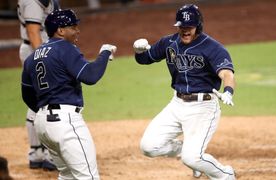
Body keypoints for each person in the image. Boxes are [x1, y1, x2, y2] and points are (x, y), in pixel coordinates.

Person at [133, 4, 236, 180]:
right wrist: (138, 51)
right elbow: (145, 59)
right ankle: (185, 151)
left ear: (198, 26)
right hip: (177, 104)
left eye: (190, 27)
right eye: (182, 26)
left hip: (203, 107)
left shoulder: (212, 47)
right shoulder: (169, 42)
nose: (185, 31)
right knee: (148, 147)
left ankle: (226, 175)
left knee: (192, 158)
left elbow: (227, 73)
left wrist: (228, 91)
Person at [21, 9, 116, 179]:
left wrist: (45, 111)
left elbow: (27, 94)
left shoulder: (32, 57)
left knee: (66, 175)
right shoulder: (65, 48)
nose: (77, 30)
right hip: (66, 123)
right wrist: (105, 53)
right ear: (60, 30)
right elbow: (90, 76)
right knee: (88, 177)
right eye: (73, 27)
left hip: (43, 126)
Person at [17, 0, 59, 170]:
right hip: (35, 50)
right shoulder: (32, 2)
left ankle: (37, 154)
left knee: (38, 101)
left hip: (40, 50)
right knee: (45, 99)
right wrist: (43, 59)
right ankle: (47, 154)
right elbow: (33, 32)